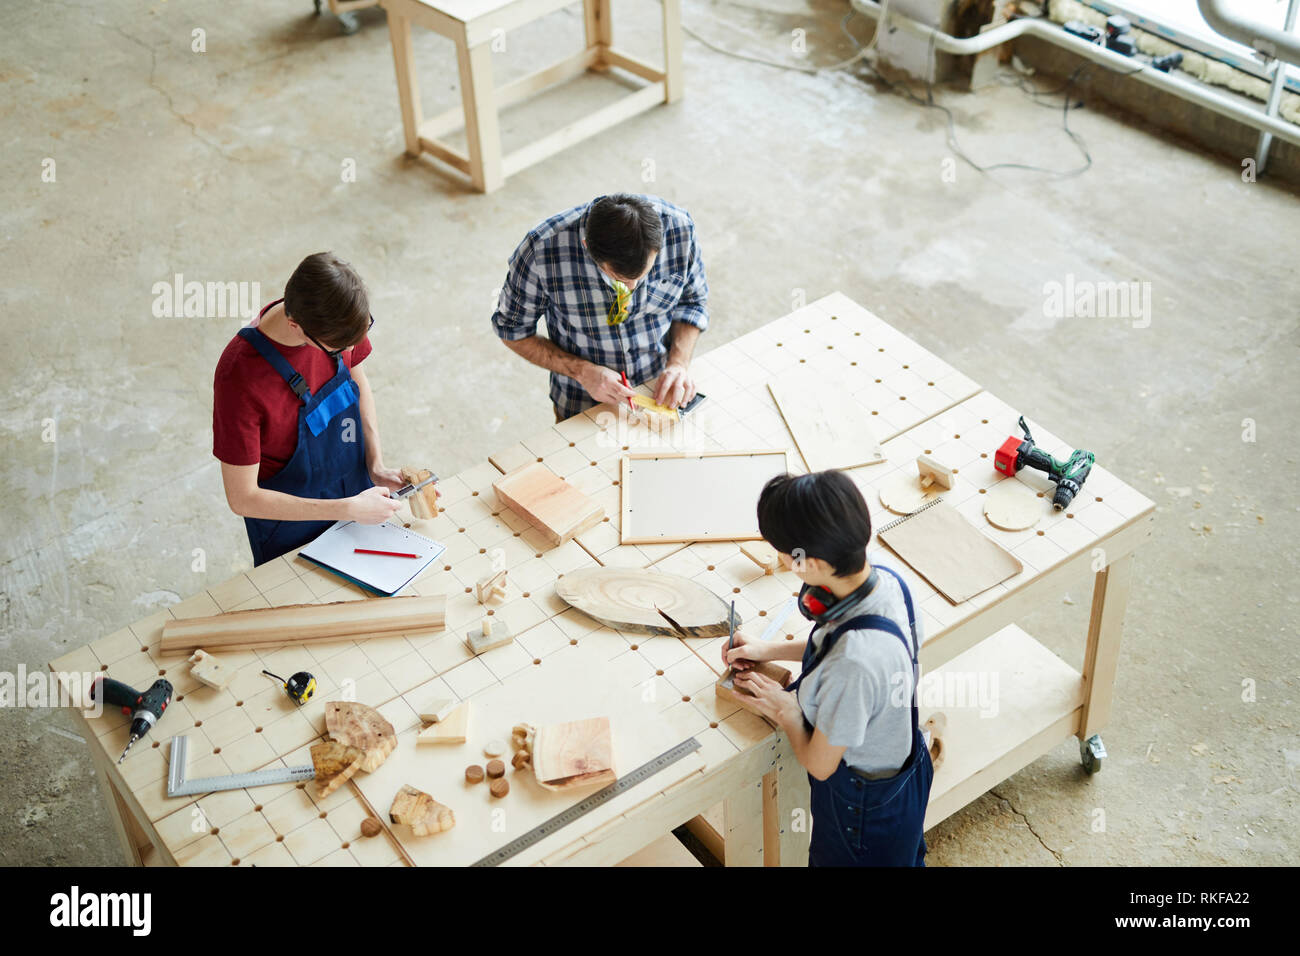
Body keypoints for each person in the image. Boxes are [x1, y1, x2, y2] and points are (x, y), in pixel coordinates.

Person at [724, 470, 933, 866]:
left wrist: (786, 710)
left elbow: (821, 764)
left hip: (862, 815)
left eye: (785, 554)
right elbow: (839, 641)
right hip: (906, 776)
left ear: (814, 563)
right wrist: (768, 649)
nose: (784, 560)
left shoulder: (854, 664)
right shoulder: (888, 581)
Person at [213, 252, 406, 566]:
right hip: (289, 523)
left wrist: (376, 465)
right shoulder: (240, 378)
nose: (348, 351)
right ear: (295, 326)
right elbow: (242, 498)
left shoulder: (337, 316)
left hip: (355, 488)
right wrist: (346, 509)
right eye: (338, 349)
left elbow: (358, 378)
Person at [491, 193, 709, 422]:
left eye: (642, 276)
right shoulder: (540, 251)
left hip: (657, 391)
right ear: (587, 247)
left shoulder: (680, 229)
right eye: (620, 278)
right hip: (582, 403)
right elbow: (512, 331)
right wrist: (582, 371)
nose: (632, 288)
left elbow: (692, 302)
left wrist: (678, 363)